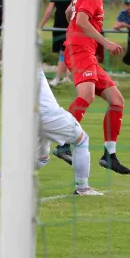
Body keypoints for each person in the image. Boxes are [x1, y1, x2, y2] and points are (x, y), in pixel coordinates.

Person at [53, 0, 130, 175]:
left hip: (86, 52)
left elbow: (70, 13)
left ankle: (109, 155)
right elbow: (80, 21)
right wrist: (105, 42)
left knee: (117, 100)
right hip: (79, 51)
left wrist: (77, 32)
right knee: (86, 96)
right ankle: (62, 144)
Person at [37, 67, 102, 196]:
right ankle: (83, 188)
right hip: (49, 114)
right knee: (82, 140)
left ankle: (2, 176)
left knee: (40, 159)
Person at [38, 0, 77, 86]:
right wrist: (40, 25)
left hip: (70, 28)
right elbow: (49, 10)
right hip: (58, 27)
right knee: (64, 52)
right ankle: (67, 77)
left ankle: (58, 77)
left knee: (64, 52)